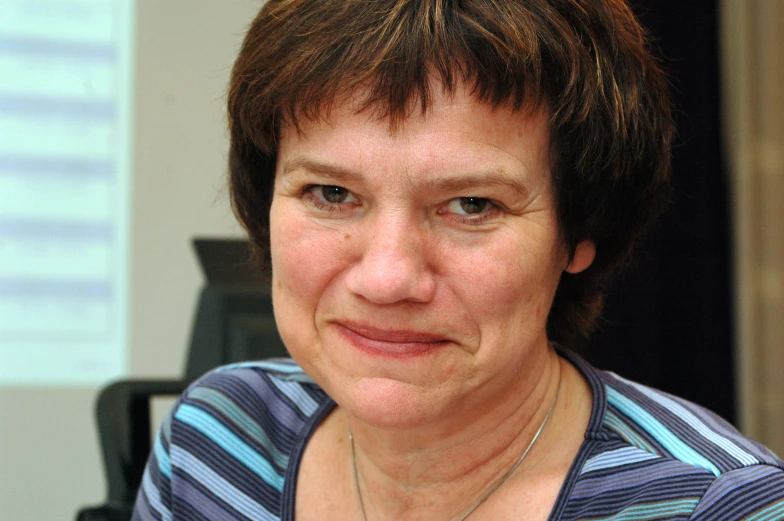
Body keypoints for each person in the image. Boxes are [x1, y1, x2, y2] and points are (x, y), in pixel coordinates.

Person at [132, 1, 784, 520]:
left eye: (471, 204)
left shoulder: (716, 504)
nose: (387, 277)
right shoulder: (216, 442)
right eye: (330, 193)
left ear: (582, 230)